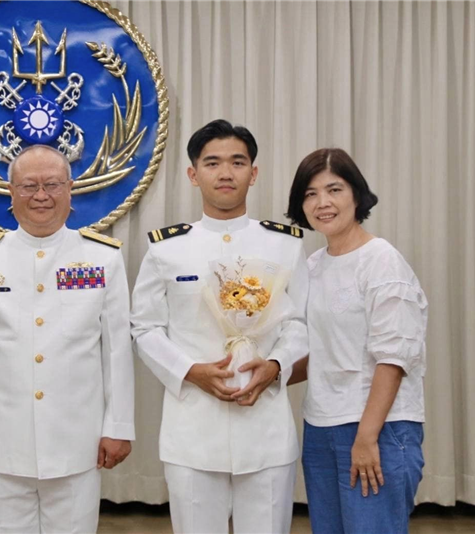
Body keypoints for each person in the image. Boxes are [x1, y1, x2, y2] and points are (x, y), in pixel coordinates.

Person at [130, 119, 309, 534]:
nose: (225, 173)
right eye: (212, 163)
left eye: (237, 162)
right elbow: (145, 328)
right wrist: (189, 371)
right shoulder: (166, 248)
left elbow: (300, 322)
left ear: (254, 172)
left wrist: (277, 365)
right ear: (193, 175)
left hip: (264, 424)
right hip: (193, 427)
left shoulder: (285, 243)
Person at [0, 144, 135, 533]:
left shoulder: (103, 260)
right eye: (29, 185)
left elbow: (116, 351)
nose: (41, 196)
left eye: (52, 184)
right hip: (1, 443)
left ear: (70, 189)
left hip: (76, 442)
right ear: (11, 192)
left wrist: (118, 426)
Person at [286, 148, 427, 534]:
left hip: (379, 426)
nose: (323, 203)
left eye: (334, 189)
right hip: (320, 426)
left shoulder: (381, 260)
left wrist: (367, 438)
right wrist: (268, 373)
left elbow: (394, 358)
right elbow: (322, 353)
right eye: (310, 194)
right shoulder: (312, 266)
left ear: (356, 195)